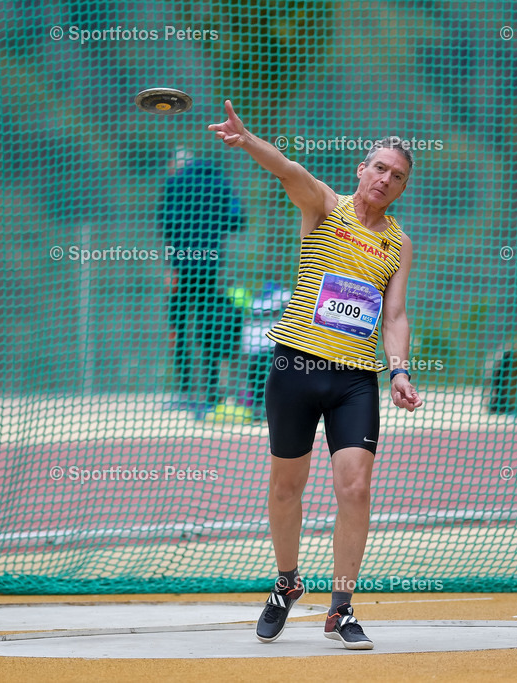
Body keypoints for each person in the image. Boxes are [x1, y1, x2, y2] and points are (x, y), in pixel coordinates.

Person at [209, 100, 423, 650]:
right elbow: (289, 170)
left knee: (356, 488)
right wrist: (248, 141)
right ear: (361, 169)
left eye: (397, 176)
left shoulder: (398, 244)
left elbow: (395, 315)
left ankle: (342, 607)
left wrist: (399, 371)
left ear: (402, 188)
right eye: (379, 168)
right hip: (296, 367)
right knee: (286, 486)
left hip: (355, 380)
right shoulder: (326, 206)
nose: (385, 180)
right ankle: (286, 583)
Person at [157, 147, 245, 417]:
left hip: (181, 267)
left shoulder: (174, 185)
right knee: (209, 328)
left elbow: (167, 224)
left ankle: (185, 392)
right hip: (211, 267)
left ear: (176, 165)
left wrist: (171, 267)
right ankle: (211, 393)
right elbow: (238, 219)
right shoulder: (218, 182)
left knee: (179, 328)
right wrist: (212, 224)